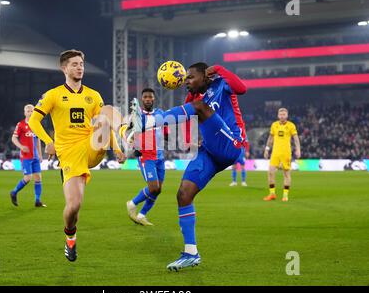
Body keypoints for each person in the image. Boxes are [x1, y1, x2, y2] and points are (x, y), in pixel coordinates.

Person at [126, 62, 247, 271]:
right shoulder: (196, 98)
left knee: (200, 108)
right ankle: (191, 253)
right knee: (184, 193)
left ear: (205, 76)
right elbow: (185, 117)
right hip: (209, 151)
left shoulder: (221, 84)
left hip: (232, 144)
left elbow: (242, 88)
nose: (186, 82)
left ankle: (148, 122)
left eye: (190, 78)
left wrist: (218, 68)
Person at [28, 49, 126, 263]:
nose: (79, 67)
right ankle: (70, 237)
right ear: (64, 68)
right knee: (73, 207)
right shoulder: (53, 95)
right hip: (69, 154)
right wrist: (48, 141)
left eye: (81, 63)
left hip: (91, 147)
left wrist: (116, 148)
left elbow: (104, 123)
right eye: (74, 64)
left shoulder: (93, 95)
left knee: (105, 112)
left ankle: (125, 130)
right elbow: (33, 121)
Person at [126, 88, 167, 226]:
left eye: (150, 97)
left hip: (160, 156)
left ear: (154, 99)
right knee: (153, 188)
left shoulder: (160, 113)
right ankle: (132, 203)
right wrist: (134, 144)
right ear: (142, 99)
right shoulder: (137, 115)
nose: (148, 99)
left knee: (158, 189)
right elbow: (129, 132)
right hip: (146, 156)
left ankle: (141, 215)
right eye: (145, 97)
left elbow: (165, 130)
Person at [10, 104, 46, 208]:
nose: (30, 113)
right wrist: (21, 147)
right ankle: (14, 192)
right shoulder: (20, 124)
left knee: (38, 177)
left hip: (35, 156)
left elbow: (38, 139)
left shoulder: (36, 124)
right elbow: (14, 138)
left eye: (32, 111)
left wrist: (39, 154)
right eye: (28, 111)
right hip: (26, 156)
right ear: (25, 113)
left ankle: (37, 201)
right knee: (28, 177)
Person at [263, 108, 301, 202]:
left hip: (286, 153)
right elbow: (270, 138)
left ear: (287, 115)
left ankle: (285, 195)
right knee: (270, 172)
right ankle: (272, 194)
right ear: (278, 115)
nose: (282, 116)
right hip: (275, 153)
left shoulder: (291, 125)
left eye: (284, 114)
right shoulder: (274, 125)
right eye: (281, 114)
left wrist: (298, 149)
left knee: (286, 174)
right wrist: (267, 149)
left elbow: (296, 139)